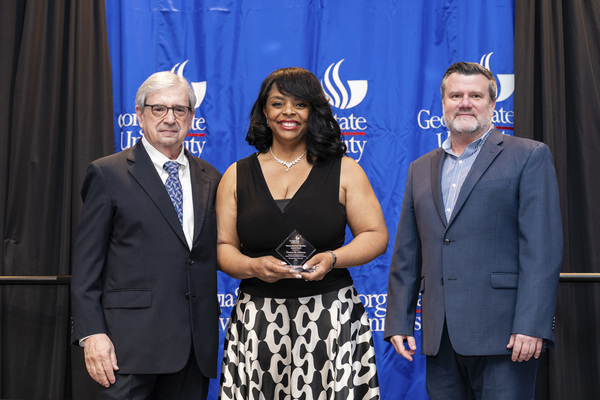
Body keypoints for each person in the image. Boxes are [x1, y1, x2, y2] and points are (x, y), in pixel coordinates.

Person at [384, 61, 563, 399]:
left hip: (506, 337)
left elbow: (541, 250)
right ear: (443, 102)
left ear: (492, 103)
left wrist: (532, 325)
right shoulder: (419, 168)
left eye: (475, 96)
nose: (465, 103)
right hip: (440, 336)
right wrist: (398, 321)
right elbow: (408, 253)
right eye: (456, 95)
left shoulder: (529, 156)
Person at [216, 67, 388, 399]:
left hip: (332, 315)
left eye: (300, 104)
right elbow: (223, 247)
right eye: (278, 103)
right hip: (258, 319)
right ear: (264, 112)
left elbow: (375, 235)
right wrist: (252, 266)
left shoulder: (345, 170)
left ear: (314, 111)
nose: (288, 112)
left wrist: (333, 258)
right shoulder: (236, 175)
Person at [70, 71, 221, 399]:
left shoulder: (211, 177)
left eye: (179, 109)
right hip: (128, 348)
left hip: (194, 350)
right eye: (159, 109)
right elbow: (86, 267)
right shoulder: (107, 173)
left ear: (191, 116)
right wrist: (91, 333)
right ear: (139, 114)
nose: (170, 118)